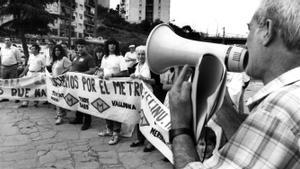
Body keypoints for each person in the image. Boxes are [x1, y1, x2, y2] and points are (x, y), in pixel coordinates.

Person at [169, 0, 300, 168]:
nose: (246, 44)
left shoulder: (278, 110)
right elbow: (256, 153)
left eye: (249, 30)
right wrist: (223, 108)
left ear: (267, 30)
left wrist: (180, 125)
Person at [97, 38, 129, 145]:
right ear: (107, 46)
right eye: (110, 44)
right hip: (105, 88)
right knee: (106, 108)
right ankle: (109, 129)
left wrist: (112, 75)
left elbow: (125, 73)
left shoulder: (120, 57)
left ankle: (116, 133)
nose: (112, 46)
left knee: (116, 110)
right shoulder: (104, 57)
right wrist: (99, 74)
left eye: (114, 44)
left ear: (116, 46)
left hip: (116, 89)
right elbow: (101, 70)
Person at [129, 45, 156, 152]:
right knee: (138, 117)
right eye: (139, 54)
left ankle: (151, 142)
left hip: (148, 95)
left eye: (143, 54)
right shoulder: (136, 65)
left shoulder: (151, 66)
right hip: (138, 96)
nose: (140, 56)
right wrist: (132, 76)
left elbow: (155, 81)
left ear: (147, 55)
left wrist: (143, 78)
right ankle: (140, 139)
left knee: (148, 118)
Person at [69, 39, 96, 130]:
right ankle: (78, 118)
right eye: (78, 47)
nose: (80, 48)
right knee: (77, 101)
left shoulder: (89, 57)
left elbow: (92, 70)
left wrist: (81, 74)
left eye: (82, 47)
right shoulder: (76, 57)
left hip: (84, 85)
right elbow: (72, 67)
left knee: (85, 102)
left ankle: (87, 122)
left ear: (86, 47)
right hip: (75, 84)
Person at [51, 44, 72, 125]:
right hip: (55, 82)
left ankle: (60, 116)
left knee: (59, 99)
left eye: (58, 50)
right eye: (55, 50)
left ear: (61, 51)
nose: (57, 52)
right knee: (56, 98)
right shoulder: (55, 60)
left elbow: (71, 67)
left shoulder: (64, 59)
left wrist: (64, 73)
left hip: (62, 82)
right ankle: (60, 113)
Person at [0, 37, 22, 102]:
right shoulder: (2, 49)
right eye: (5, 40)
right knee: (4, 82)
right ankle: (5, 97)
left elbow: (19, 58)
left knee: (14, 82)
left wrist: (19, 65)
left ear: (11, 41)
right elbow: (1, 57)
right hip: (4, 67)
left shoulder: (15, 49)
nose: (6, 41)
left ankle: (16, 97)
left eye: (8, 40)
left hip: (13, 67)